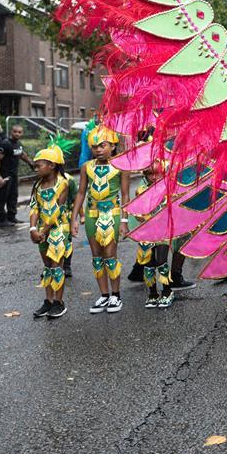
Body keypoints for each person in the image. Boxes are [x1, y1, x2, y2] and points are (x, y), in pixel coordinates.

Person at [71, 125, 130, 314]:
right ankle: (104, 295)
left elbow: (125, 195)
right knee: (96, 258)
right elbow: (81, 193)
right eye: (94, 146)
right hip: (91, 215)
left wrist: (124, 221)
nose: (98, 149)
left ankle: (116, 295)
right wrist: (74, 218)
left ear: (113, 146)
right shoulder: (86, 167)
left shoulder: (121, 165)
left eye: (102, 145)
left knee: (110, 256)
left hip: (111, 214)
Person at [29, 138, 76, 319]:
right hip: (41, 230)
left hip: (58, 229)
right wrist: (33, 229)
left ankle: (59, 302)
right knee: (47, 267)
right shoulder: (38, 186)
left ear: (52, 165)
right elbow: (34, 207)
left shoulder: (62, 183)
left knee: (57, 267)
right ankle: (48, 301)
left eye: (38, 165)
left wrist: (43, 230)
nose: (36, 169)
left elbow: (57, 209)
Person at [129, 161, 175, 308]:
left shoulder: (169, 188)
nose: (154, 177)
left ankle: (167, 292)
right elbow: (137, 213)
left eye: (157, 173)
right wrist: (143, 217)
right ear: (145, 175)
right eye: (150, 174)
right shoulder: (141, 190)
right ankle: (153, 293)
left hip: (163, 231)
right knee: (148, 264)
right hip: (147, 232)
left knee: (161, 262)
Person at [0, 124, 33, 228]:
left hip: (13, 175)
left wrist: (31, 163)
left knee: (13, 196)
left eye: (19, 132)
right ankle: (1, 221)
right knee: (2, 197)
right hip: (4, 175)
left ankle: (11, 217)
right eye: (15, 132)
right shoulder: (5, 144)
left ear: (22, 133)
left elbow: (22, 154)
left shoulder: (18, 144)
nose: (17, 134)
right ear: (12, 132)